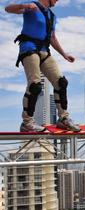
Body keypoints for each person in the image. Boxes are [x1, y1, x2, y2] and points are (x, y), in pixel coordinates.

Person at [5, 0, 80, 132]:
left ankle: (63, 119)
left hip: (45, 51)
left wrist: (64, 54)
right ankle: (27, 122)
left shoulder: (52, 16)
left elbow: (52, 38)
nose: (58, 0)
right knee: (35, 85)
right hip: (29, 48)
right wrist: (24, 6)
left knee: (61, 82)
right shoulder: (32, 6)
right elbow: (8, 9)